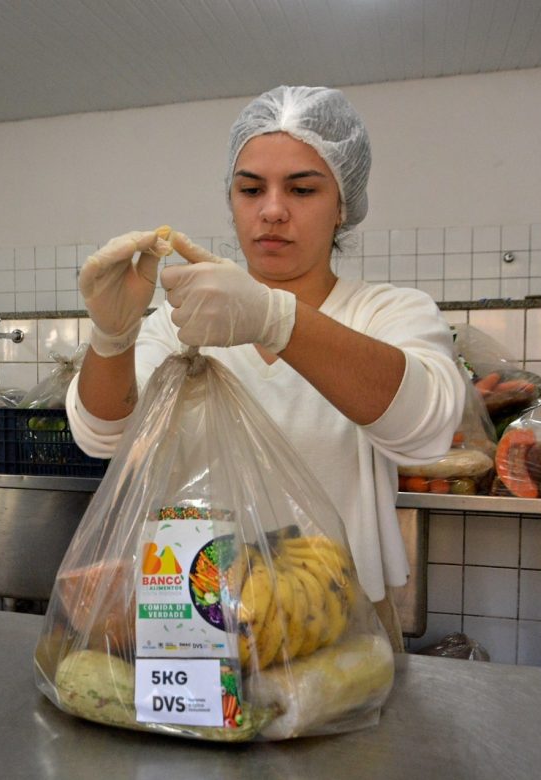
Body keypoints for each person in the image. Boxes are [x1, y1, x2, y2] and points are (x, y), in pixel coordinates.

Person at [67, 85, 464, 651]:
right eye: (250, 188)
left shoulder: (387, 312)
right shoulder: (181, 321)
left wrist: (277, 320)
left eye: (302, 189)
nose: (272, 209)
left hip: (335, 614)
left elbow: (425, 431)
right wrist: (112, 338)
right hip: (197, 612)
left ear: (344, 203)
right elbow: (105, 437)